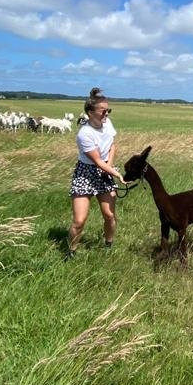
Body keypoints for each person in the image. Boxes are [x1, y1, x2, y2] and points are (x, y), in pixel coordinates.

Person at [67, 87, 123, 258]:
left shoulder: (108, 123)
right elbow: (97, 161)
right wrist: (117, 174)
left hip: (106, 169)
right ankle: (71, 252)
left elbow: (112, 145)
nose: (106, 114)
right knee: (79, 220)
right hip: (86, 173)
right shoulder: (84, 134)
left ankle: (108, 244)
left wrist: (110, 167)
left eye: (108, 110)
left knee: (109, 215)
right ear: (90, 112)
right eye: (103, 111)